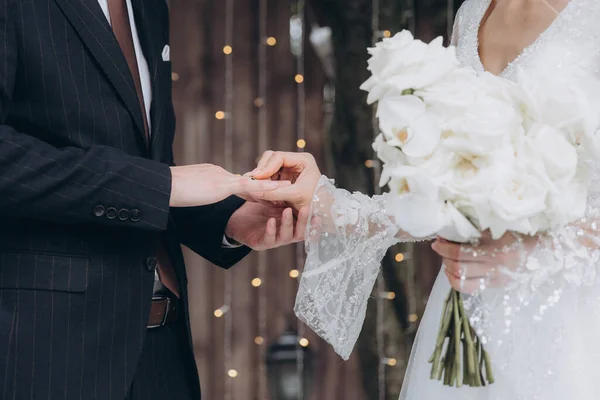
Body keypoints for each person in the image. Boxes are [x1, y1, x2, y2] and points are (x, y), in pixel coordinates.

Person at [254, 0, 600, 398]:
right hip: (469, 312)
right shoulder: (472, 12)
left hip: (575, 317)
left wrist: (537, 249)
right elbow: (452, 193)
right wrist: (328, 205)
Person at [0, 1, 309, 399]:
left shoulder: (147, 7)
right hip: (47, 349)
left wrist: (230, 221)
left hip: (162, 349)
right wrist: (162, 184)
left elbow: (146, 163)